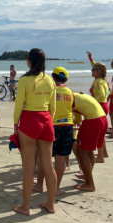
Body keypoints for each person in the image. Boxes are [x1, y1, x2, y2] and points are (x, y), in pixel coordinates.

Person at [12, 48, 57, 216]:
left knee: (29, 168)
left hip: (30, 121)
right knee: (47, 165)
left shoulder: (25, 79)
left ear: (29, 61)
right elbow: (53, 107)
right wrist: (49, 121)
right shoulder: (50, 80)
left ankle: (25, 206)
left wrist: (15, 124)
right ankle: (51, 204)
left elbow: (19, 105)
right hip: (46, 120)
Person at [34, 67, 73, 196]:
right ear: (66, 79)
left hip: (51, 126)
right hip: (67, 126)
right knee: (61, 158)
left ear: (52, 77)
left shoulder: (50, 90)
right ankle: (56, 188)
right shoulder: (70, 92)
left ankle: (39, 185)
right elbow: (72, 107)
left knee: (44, 158)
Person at [71, 92, 108, 191]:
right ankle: (87, 176)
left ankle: (89, 184)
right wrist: (72, 124)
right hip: (103, 119)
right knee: (89, 151)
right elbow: (78, 118)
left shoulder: (68, 98)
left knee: (81, 152)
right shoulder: (77, 96)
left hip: (93, 121)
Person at [86, 51, 110, 162]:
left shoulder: (98, 82)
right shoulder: (103, 79)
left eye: (93, 70)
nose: (91, 71)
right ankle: (103, 153)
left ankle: (100, 156)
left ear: (99, 72)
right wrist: (91, 59)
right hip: (104, 105)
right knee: (102, 131)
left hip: (100, 106)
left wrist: (92, 102)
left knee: (99, 132)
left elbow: (101, 95)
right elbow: (97, 68)